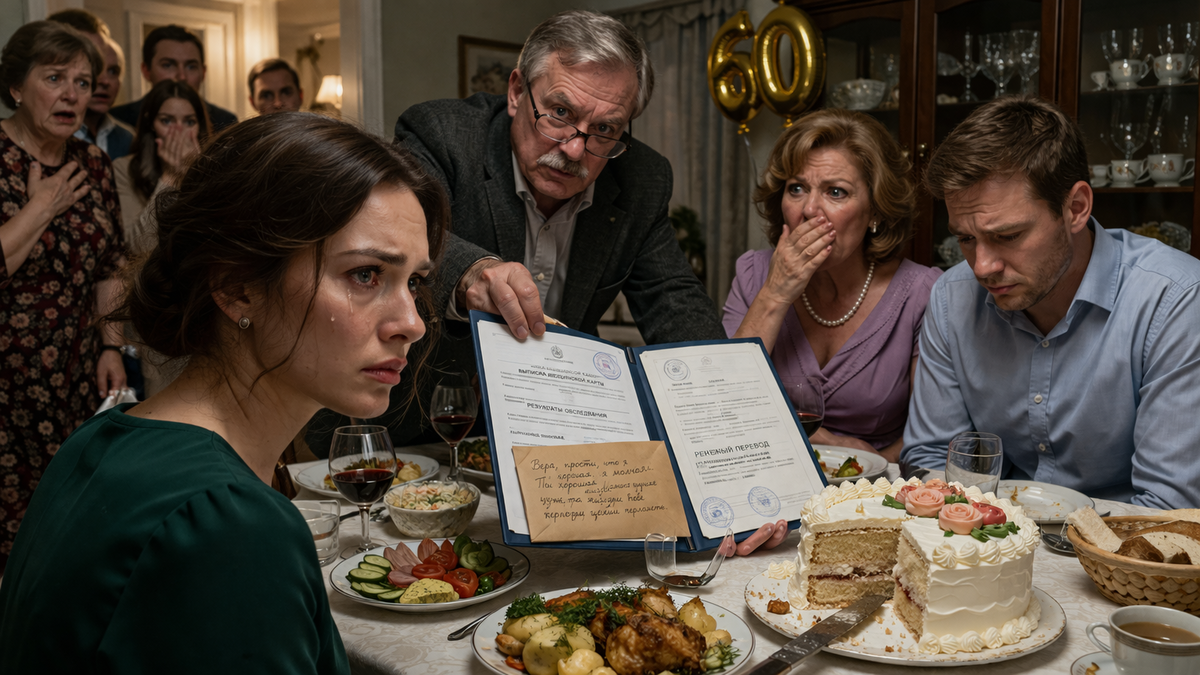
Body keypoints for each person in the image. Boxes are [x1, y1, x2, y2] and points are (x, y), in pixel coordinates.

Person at [0, 112, 446, 671]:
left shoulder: (98, 440)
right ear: (237, 288)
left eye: (415, 282)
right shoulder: (228, 522)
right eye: (366, 274)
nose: (412, 323)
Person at [307, 11, 722, 451]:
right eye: (560, 113)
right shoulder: (443, 135)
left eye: (604, 129)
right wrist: (474, 273)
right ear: (517, 91)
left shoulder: (642, 178)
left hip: (555, 429)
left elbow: (675, 300)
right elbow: (402, 237)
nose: (575, 149)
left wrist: (724, 388)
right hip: (413, 416)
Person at [901, 96, 1200, 510]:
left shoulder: (1174, 299)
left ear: (1075, 208)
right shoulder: (953, 297)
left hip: (1119, 542)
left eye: (1008, 236)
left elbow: (1168, 508)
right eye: (966, 238)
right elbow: (932, 460)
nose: (982, 267)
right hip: (994, 535)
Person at [723, 109, 940, 464]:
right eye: (796, 189)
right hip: (768, 470)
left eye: (836, 192)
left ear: (876, 211)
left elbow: (933, 434)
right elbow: (724, 403)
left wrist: (872, 466)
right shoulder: (753, 274)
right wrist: (775, 294)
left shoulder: (922, 293)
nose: (809, 210)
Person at [0, 20, 126, 570]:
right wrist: (41, 208)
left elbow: (111, 264)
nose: (72, 94)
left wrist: (110, 346)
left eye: (82, 82)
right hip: (6, 390)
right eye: (54, 78)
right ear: (15, 87)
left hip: (76, 379)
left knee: (73, 528)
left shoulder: (92, 163)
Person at [113, 79, 211, 254]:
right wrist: (170, 178)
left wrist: (196, 174)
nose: (179, 131)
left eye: (189, 122)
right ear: (151, 124)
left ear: (200, 127)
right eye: (167, 121)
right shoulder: (123, 169)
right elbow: (140, 248)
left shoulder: (216, 168)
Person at [109, 24, 237, 131]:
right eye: (168, 65)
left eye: (191, 67)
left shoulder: (225, 123)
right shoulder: (118, 120)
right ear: (146, 70)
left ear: (203, 73)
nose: (181, 76)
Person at [48, 9, 134, 160]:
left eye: (113, 71)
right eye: (93, 66)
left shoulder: (129, 139)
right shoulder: (43, 137)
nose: (104, 81)